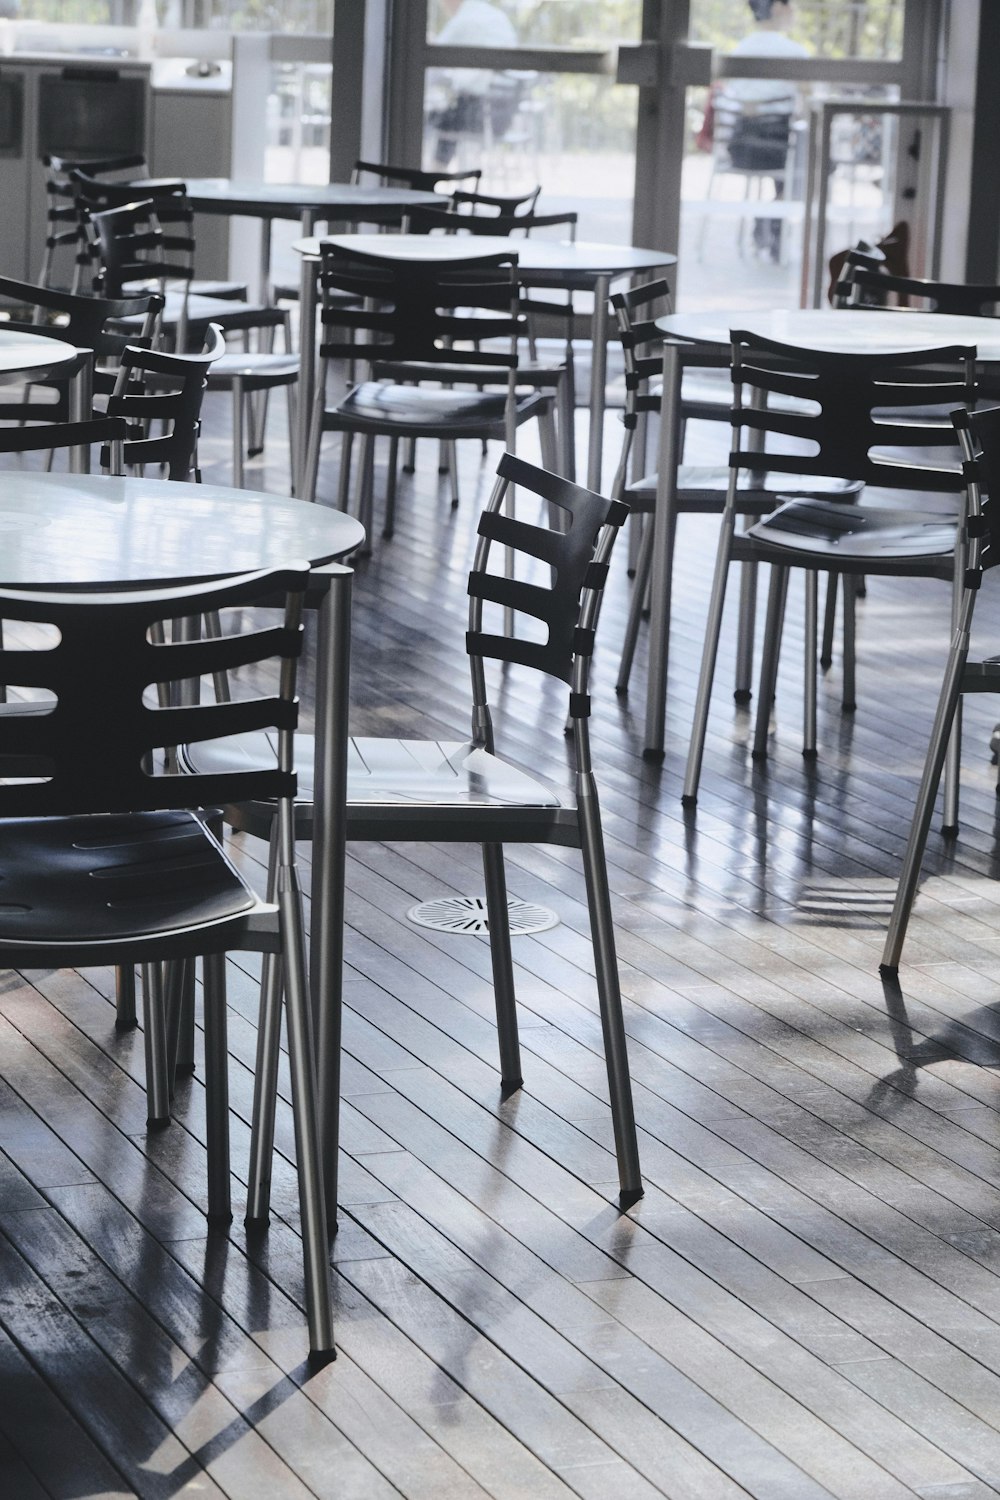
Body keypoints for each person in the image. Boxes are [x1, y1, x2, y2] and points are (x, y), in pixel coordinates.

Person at [719, 0, 807, 261]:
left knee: (792, 151)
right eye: (792, 5)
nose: (794, 12)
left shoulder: (739, 49)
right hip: (776, 152)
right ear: (778, 7)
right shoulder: (794, 52)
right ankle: (773, 223)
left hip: (739, 148)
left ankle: (766, 223)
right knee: (809, 158)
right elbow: (806, 104)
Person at [429, 0, 518, 166]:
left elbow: (432, 67)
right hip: (504, 112)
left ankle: (431, 174)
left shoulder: (464, 20)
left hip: (479, 114)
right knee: (447, 111)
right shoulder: (496, 16)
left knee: (438, 116)